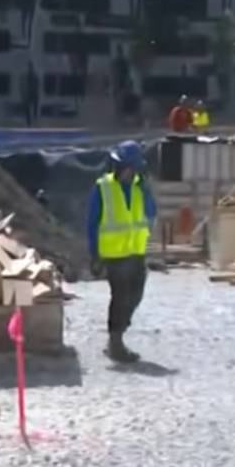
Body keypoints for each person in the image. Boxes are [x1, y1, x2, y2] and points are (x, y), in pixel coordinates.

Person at [85, 141, 156, 363]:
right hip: (114, 255)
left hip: (135, 251)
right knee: (121, 296)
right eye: (126, 167)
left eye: (133, 168)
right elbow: (92, 223)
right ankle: (115, 342)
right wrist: (95, 254)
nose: (129, 172)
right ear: (118, 166)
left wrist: (145, 190)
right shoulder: (103, 187)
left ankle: (119, 334)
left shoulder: (138, 188)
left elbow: (151, 212)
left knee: (136, 295)